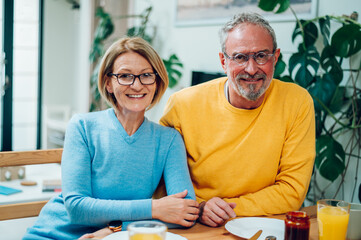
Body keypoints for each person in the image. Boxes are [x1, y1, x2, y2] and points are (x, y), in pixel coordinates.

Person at [23, 37, 199, 240]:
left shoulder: (168, 140)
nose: (136, 85)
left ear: (156, 82)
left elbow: (186, 212)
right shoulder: (82, 126)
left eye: (146, 75)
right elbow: (76, 207)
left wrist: (116, 229)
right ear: (108, 83)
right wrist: (154, 208)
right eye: (125, 76)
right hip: (54, 234)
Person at [160, 12, 315, 227]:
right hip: (197, 226)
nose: (251, 69)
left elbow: (291, 191)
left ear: (276, 57)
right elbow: (161, 185)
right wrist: (201, 208)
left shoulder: (297, 102)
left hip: (264, 225)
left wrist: (223, 209)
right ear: (224, 61)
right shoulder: (182, 105)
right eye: (240, 57)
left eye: (261, 56)